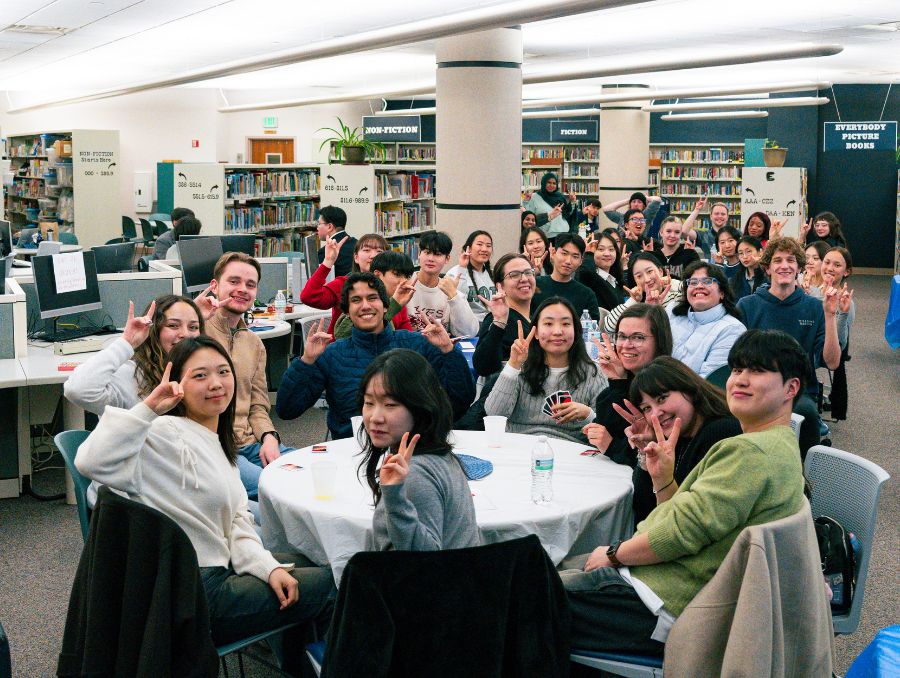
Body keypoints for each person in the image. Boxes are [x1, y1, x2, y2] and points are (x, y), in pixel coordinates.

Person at [75, 336, 335, 664]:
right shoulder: (161, 433)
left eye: (223, 372)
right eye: (200, 375)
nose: (215, 383)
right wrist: (148, 409)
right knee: (337, 584)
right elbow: (90, 461)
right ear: (177, 385)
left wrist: (268, 569)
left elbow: (237, 522)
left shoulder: (218, 444)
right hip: (189, 593)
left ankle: (299, 662)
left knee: (312, 559)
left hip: (216, 570)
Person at [559, 330, 807, 657]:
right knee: (547, 565)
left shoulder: (749, 452)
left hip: (664, 601)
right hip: (672, 586)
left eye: (757, 371)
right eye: (736, 370)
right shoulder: (776, 444)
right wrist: (662, 478)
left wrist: (614, 554)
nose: (741, 380)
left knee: (521, 594)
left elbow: (679, 533)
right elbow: (689, 520)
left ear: (791, 388)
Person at [276, 273, 475, 439]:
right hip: (352, 451)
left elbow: (459, 401)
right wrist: (306, 361)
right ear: (346, 311)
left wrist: (449, 352)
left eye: (372, 298)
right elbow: (287, 410)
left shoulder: (417, 344)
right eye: (356, 300)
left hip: (411, 450)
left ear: (386, 305)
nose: (365, 306)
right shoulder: (332, 355)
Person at [64, 294, 205, 505]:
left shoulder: (191, 374)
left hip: (175, 483)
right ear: (155, 331)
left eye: (193, 327)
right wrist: (127, 343)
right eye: (174, 325)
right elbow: (78, 389)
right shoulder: (131, 375)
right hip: (132, 496)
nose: (185, 334)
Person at [358, 349, 480, 552]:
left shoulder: (415, 472)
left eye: (390, 404)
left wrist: (395, 496)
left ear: (420, 407)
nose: (375, 417)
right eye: (369, 403)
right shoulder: (437, 455)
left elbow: (424, 563)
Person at [737, 237, 841, 455]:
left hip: (798, 391)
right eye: (778, 260)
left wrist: (830, 316)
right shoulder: (747, 306)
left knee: (806, 413)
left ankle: (805, 481)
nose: (784, 265)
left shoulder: (815, 307)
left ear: (799, 267)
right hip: (756, 386)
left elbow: (832, 362)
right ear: (767, 268)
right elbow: (736, 358)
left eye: (791, 260)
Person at [201, 252, 290, 500]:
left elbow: (258, 404)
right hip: (214, 448)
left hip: (251, 443)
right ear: (215, 286)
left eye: (250, 285)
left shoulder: (253, 343)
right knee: (275, 489)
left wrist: (270, 437)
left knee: (304, 472)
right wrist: (194, 318)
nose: (243, 289)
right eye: (234, 281)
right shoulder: (195, 333)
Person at [616, 356, 742, 525]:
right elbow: (643, 510)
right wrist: (646, 453)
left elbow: (690, 522)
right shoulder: (679, 438)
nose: (655, 414)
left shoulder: (721, 432)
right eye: (647, 408)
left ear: (689, 389)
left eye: (661, 398)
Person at [484, 297, 607, 443]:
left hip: (572, 451)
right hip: (519, 447)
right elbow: (494, 414)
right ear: (535, 332)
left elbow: (606, 430)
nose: (557, 331)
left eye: (566, 324)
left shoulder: (593, 373)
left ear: (576, 330)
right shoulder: (520, 369)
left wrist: (587, 414)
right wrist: (513, 364)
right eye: (548, 324)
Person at [584, 303, 673, 467]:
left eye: (638, 337)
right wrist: (618, 382)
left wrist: (612, 445)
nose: (626, 345)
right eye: (622, 336)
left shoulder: (668, 388)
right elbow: (602, 433)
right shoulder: (623, 382)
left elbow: (647, 454)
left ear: (659, 341)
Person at [667, 261, 746, 378]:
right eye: (693, 282)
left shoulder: (732, 329)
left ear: (722, 293)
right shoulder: (672, 312)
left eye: (707, 281)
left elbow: (709, 383)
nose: (699, 286)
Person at [300, 232, 389, 335]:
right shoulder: (343, 284)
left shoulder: (391, 286)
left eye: (379, 251)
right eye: (366, 250)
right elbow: (308, 297)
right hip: (343, 346)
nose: (373, 255)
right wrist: (328, 261)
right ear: (356, 257)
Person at [472, 253, 536, 377]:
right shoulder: (497, 319)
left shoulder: (537, 317)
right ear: (499, 286)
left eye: (528, 272)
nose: (524, 279)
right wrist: (499, 323)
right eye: (514, 275)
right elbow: (483, 367)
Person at [406, 231, 479, 338]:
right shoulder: (405, 284)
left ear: (447, 259)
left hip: (439, 348)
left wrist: (454, 297)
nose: (431, 258)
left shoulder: (449, 288)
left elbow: (469, 332)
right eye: (427, 252)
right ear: (419, 254)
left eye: (437, 254)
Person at [333, 250, 415, 338]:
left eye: (407, 276)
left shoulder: (399, 304)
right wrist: (394, 305)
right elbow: (342, 335)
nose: (404, 281)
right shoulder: (360, 300)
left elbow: (407, 338)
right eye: (397, 274)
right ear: (377, 275)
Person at [604, 253, 681, 333]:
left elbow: (692, 291)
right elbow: (609, 328)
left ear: (660, 271)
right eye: (639, 276)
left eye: (649, 271)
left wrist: (672, 283)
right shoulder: (636, 305)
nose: (647, 279)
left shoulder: (677, 297)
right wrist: (633, 300)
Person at [531, 233, 600, 321]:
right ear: (553, 253)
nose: (568, 261)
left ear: (581, 261)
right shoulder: (534, 285)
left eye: (575, 256)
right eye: (564, 253)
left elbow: (592, 330)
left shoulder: (587, 295)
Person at [821, 247, 855, 421]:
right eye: (826, 262)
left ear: (846, 271)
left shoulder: (846, 301)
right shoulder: (808, 289)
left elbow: (841, 343)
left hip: (827, 350)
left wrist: (842, 313)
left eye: (837, 265)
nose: (830, 268)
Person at [446, 230, 496, 321]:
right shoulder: (454, 273)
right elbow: (457, 302)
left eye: (488, 246)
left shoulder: (494, 274)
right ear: (468, 248)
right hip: (469, 325)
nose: (484, 249)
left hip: (494, 323)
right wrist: (462, 268)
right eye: (479, 244)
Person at [577, 230, 626, 311]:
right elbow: (586, 272)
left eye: (611, 249)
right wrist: (588, 254)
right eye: (600, 249)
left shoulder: (614, 280)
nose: (607, 254)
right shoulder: (589, 279)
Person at [523, 172, 577, 237]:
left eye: (554, 183)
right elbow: (529, 215)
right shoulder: (535, 196)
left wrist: (572, 202)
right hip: (545, 235)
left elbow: (567, 214)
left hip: (563, 233)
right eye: (549, 182)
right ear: (544, 182)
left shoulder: (560, 196)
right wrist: (526, 201)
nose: (551, 185)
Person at [316, 205, 356, 276]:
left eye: (319, 224)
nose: (317, 228)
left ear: (329, 227)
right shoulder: (356, 243)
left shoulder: (326, 253)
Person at [730, 236, 767, 301]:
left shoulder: (768, 275)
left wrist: (762, 265)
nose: (744, 256)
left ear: (760, 252)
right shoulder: (735, 280)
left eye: (748, 251)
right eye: (741, 253)